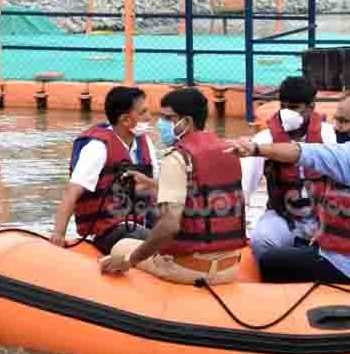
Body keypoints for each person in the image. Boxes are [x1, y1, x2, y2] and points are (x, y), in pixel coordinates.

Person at [226, 91, 350, 285]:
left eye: (343, 121)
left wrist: (256, 149)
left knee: (270, 260)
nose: (337, 127)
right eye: (336, 120)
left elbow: (299, 152)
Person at [99, 87, 247, 285]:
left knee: (123, 244)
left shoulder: (177, 158)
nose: (161, 124)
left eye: (168, 118)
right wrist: (153, 185)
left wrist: (130, 261)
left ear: (186, 122)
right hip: (230, 269)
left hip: (189, 269)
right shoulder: (229, 151)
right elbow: (199, 198)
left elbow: (169, 225)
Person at [50, 86, 158, 254]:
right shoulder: (97, 148)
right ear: (125, 120)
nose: (149, 117)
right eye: (143, 112)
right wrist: (58, 234)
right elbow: (72, 193)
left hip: (140, 224)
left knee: (170, 233)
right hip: (109, 232)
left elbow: (157, 187)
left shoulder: (145, 144)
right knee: (149, 240)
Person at [241, 76, 336, 260]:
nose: (286, 113)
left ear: (311, 106)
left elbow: (344, 183)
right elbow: (245, 187)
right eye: (283, 106)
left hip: (323, 217)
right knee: (261, 241)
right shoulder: (263, 140)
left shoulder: (329, 135)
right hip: (283, 218)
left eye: (293, 108)